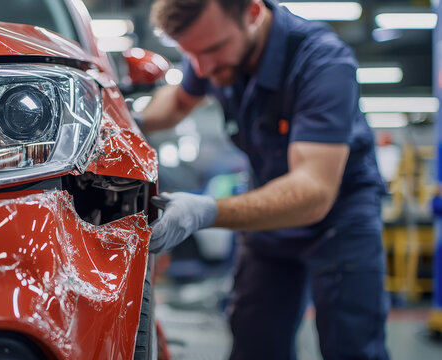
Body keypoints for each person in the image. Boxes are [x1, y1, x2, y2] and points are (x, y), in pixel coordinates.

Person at [143, 0, 390, 359]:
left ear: (253, 13)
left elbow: (312, 192)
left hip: (339, 215)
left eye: (212, 49)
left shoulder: (323, 63)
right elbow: (177, 102)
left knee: (351, 345)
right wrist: (127, 121)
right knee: (255, 341)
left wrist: (206, 211)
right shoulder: (211, 50)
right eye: (192, 55)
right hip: (271, 207)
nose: (204, 68)